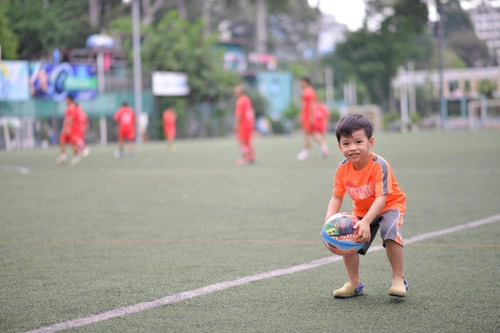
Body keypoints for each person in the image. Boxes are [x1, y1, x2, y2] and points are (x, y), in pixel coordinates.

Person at [325, 113, 408, 298]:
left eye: (358, 142)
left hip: (389, 205)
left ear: (371, 142)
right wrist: (329, 221)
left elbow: (381, 198)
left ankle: (398, 279)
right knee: (345, 234)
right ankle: (354, 284)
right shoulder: (342, 168)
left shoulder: (379, 165)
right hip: (362, 209)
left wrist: (366, 222)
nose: (352, 148)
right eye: (346, 144)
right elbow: (337, 197)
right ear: (339, 146)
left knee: (389, 232)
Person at [296, 77, 328, 161]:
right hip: (307, 115)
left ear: (306, 83)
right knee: (313, 133)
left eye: (302, 82)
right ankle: (324, 148)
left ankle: (306, 152)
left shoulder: (308, 91)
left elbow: (311, 105)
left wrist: (311, 117)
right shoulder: (309, 91)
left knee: (307, 134)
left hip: (308, 116)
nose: (301, 84)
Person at [233, 85, 255, 166]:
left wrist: (235, 125)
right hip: (250, 123)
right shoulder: (247, 99)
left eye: (236, 91)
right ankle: (251, 157)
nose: (234, 93)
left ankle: (245, 158)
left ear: (240, 92)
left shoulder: (240, 101)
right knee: (248, 141)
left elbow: (239, 115)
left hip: (243, 124)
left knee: (242, 141)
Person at [56, 95, 81, 165]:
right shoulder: (68, 109)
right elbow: (66, 119)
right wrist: (64, 128)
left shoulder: (73, 108)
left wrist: (68, 128)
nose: (65, 101)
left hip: (73, 129)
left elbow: (71, 119)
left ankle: (77, 157)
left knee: (74, 144)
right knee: (62, 140)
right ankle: (63, 156)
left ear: (69, 99)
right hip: (67, 129)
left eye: (66, 99)